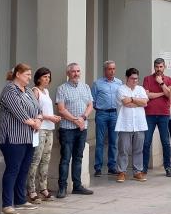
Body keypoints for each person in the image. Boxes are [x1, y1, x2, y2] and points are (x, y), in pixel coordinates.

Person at [0, 63, 42, 214]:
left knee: (24, 169)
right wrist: (34, 122)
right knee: (13, 169)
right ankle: (7, 204)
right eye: (27, 74)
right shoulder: (9, 90)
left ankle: (20, 199)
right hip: (12, 137)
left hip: (29, 136)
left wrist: (39, 119)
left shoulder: (28, 90)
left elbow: (38, 109)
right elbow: (18, 112)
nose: (30, 77)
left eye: (30, 74)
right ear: (18, 74)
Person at [56, 63, 95, 198]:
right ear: (68, 73)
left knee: (78, 157)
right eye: (73, 71)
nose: (76, 74)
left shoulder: (86, 87)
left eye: (78, 71)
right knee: (66, 158)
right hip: (67, 129)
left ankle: (77, 186)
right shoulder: (62, 89)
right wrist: (75, 120)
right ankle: (62, 187)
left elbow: (90, 104)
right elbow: (61, 109)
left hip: (82, 129)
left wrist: (83, 118)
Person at [27, 68, 58, 202]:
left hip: (49, 128)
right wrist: (49, 117)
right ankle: (31, 189)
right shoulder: (35, 91)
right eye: (44, 76)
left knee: (46, 159)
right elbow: (34, 111)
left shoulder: (46, 91)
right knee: (36, 159)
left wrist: (51, 118)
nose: (47, 79)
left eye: (48, 77)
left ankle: (43, 187)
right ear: (38, 78)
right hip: (40, 129)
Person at [115, 68, 149, 182]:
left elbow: (145, 102)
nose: (135, 81)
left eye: (136, 78)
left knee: (138, 149)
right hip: (125, 123)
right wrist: (137, 102)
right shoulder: (121, 89)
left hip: (139, 124)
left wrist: (133, 99)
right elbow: (125, 102)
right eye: (132, 78)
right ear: (127, 78)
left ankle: (138, 171)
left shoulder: (141, 89)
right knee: (123, 149)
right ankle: (121, 172)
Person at [142, 58, 171, 177]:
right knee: (146, 142)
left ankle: (167, 167)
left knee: (165, 142)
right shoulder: (147, 79)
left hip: (164, 114)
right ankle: (144, 168)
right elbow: (147, 95)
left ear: (164, 67)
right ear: (154, 67)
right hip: (149, 114)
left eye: (161, 67)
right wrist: (162, 93)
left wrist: (161, 83)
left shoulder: (169, 80)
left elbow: (170, 95)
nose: (159, 69)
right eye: (157, 67)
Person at [91, 61, 122, 178]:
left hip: (114, 114)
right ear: (105, 70)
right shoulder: (97, 83)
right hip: (102, 114)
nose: (112, 71)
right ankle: (98, 167)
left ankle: (112, 166)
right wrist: (100, 109)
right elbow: (92, 101)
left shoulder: (119, 83)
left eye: (114, 68)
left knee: (114, 142)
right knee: (99, 142)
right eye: (110, 69)